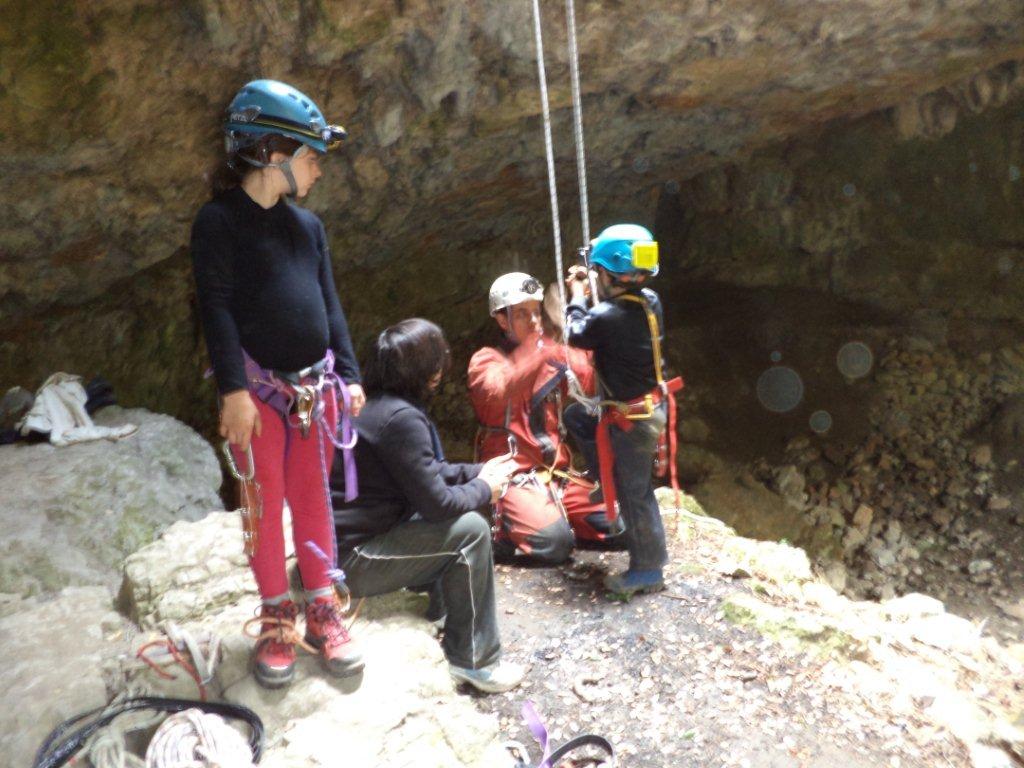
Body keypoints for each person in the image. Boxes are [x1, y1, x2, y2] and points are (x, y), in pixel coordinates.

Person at [191, 79, 364, 688]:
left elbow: (330, 304)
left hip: (313, 394)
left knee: (314, 497)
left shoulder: (307, 228)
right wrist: (233, 392)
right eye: (310, 156)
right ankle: (275, 614)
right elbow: (216, 307)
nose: (318, 169)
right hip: (260, 397)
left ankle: (321, 604)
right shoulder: (219, 222)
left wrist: (349, 373)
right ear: (271, 153)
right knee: (263, 508)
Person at [330, 318, 525, 694]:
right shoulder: (402, 419)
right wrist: (486, 488)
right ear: (428, 372)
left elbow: (425, 471)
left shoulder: (379, 408)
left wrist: (479, 470)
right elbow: (437, 503)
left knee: (446, 519)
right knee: (470, 531)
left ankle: (440, 614)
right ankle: (474, 660)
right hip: (351, 561)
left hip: (346, 542)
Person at [562, 224, 683, 599]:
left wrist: (578, 293)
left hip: (633, 419)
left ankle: (648, 569)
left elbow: (575, 332)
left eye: (599, 271)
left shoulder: (610, 317)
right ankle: (605, 481)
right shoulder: (649, 300)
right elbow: (607, 311)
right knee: (577, 417)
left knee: (636, 492)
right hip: (645, 409)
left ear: (609, 275)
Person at [468, 272, 618, 564]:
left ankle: (552, 516)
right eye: (523, 314)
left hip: (556, 473)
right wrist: (544, 350)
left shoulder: (549, 353)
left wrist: (572, 320)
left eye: (537, 313)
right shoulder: (485, 360)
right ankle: (506, 535)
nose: (534, 321)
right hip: (512, 475)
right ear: (502, 320)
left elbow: (588, 383)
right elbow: (501, 390)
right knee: (554, 544)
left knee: (618, 524)